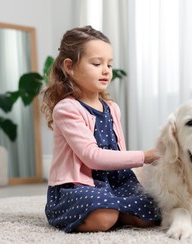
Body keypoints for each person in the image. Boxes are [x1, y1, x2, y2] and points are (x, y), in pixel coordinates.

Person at [40, 25, 160, 233]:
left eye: (109, 65)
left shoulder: (112, 108)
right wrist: (145, 156)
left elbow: (119, 151)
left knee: (153, 212)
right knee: (103, 218)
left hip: (114, 180)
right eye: (96, 63)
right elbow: (92, 157)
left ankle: (115, 209)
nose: (106, 70)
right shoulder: (67, 108)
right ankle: (107, 211)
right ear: (69, 66)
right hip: (78, 185)